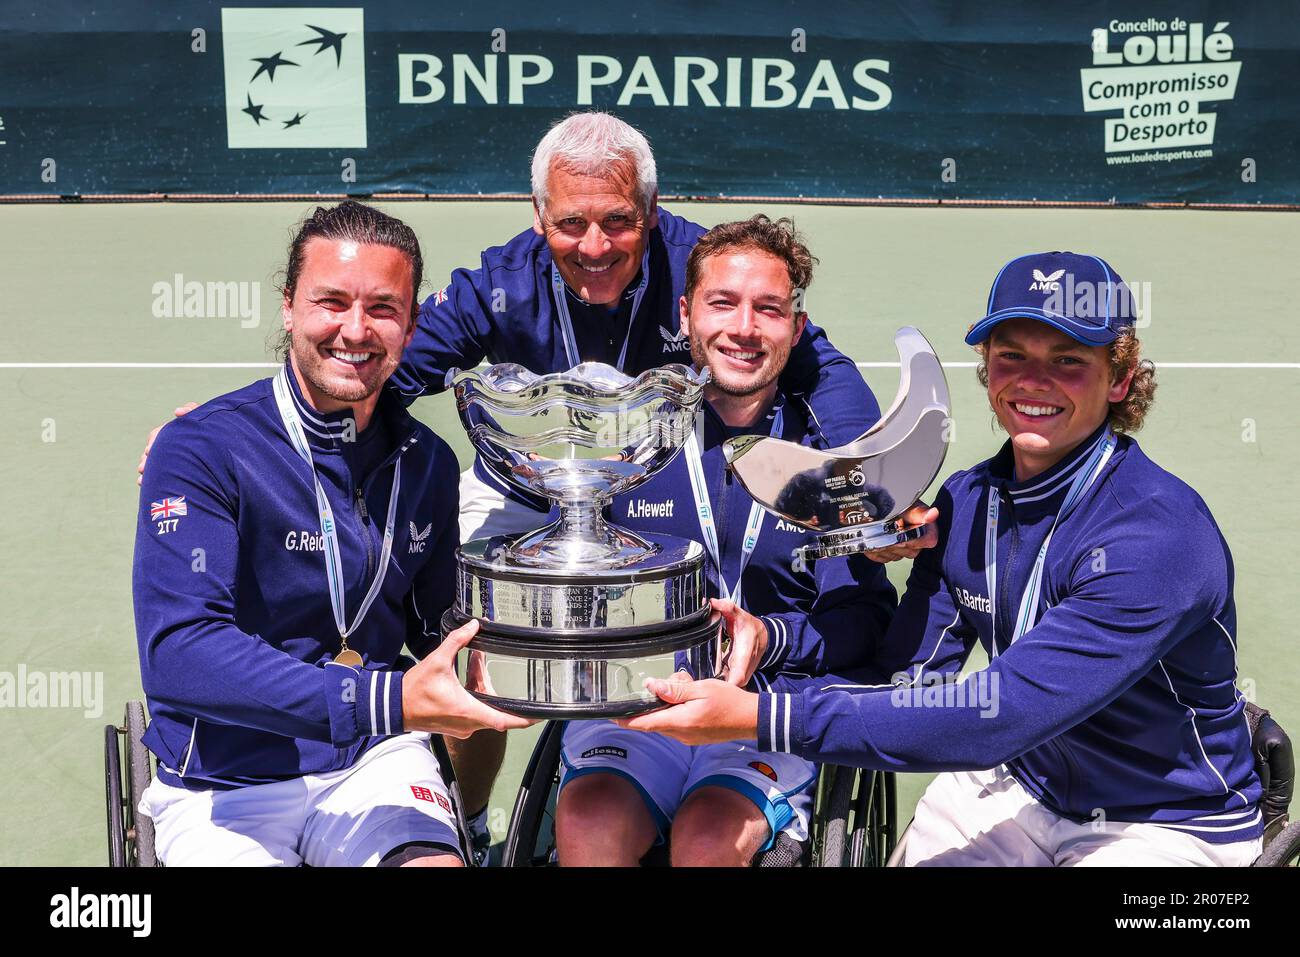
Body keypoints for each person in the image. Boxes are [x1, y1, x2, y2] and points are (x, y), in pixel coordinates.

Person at [136, 111, 882, 859]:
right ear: (539, 216)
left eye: (618, 222)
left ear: (650, 215)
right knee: (478, 642)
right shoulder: (499, 282)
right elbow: (378, 366)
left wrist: (860, 476)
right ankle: (474, 813)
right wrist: (242, 432)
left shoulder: (702, 271)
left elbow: (820, 365)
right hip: (523, 485)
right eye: (571, 223)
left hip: (644, 480)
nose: (595, 246)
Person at [622, 251, 1265, 866]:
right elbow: (906, 679)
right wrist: (767, 642)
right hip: (1022, 787)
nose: (1033, 381)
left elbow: (1001, 714)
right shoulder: (966, 503)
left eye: (1068, 360)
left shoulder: (1157, 536)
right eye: (1012, 355)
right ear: (987, 367)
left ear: (1120, 378)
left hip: (1163, 822)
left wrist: (762, 718)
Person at [133, 201, 529, 867]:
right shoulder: (201, 447)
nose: (355, 329)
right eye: (332, 301)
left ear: (410, 324)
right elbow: (178, 656)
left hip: (370, 757)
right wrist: (384, 696)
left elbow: (442, 635)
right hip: (225, 779)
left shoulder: (425, 461)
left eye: (382, 307)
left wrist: (552, 657)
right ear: (289, 306)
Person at [555, 216, 897, 866]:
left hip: (768, 704)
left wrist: (772, 638)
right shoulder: (629, 437)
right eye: (723, 303)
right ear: (686, 316)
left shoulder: (827, 456)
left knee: (709, 836)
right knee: (588, 819)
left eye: (768, 309)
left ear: (795, 330)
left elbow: (864, 618)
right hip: (645, 696)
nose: (743, 327)